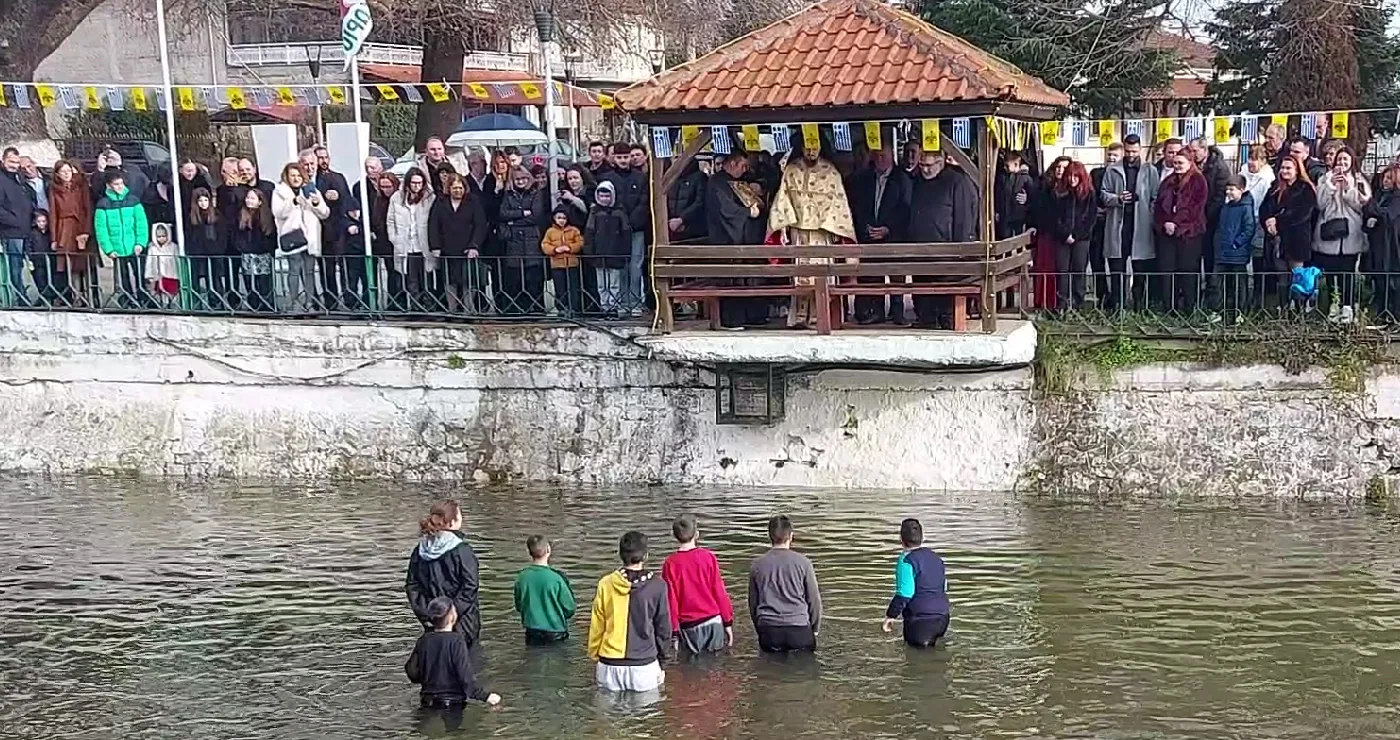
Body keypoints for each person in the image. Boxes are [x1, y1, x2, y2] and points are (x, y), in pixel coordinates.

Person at [767, 139, 856, 327]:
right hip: (799, 232)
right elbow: (783, 200)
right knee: (800, 276)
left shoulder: (830, 171)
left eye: (814, 146)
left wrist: (835, 226)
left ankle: (820, 316)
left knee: (821, 275)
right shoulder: (791, 169)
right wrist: (783, 226)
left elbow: (839, 203)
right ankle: (799, 316)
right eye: (807, 146)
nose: (811, 151)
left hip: (822, 233)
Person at [587, 530, 671, 693]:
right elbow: (663, 629)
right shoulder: (658, 586)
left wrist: (595, 655)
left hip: (609, 663)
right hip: (644, 665)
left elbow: (597, 625)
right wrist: (662, 662)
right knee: (646, 717)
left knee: (608, 716)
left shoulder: (605, 583)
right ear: (646, 556)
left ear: (620, 554)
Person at [906, 149, 979, 326]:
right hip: (921, 249)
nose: (925, 170)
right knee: (923, 288)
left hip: (947, 248)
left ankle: (948, 317)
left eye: (929, 165)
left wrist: (961, 248)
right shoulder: (918, 181)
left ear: (941, 162)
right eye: (922, 165)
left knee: (946, 288)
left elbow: (964, 218)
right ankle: (926, 317)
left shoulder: (957, 181)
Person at [849, 140, 911, 325]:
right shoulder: (864, 178)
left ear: (892, 156)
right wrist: (866, 227)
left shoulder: (903, 179)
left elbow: (906, 209)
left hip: (894, 236)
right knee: (871, 275)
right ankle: (874, 312)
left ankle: (898, 312)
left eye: (883, 156)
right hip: (870, 235)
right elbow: (858, 206)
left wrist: (888, 228)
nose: (879, 159)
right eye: (876, 156)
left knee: (896, 275)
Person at [405, 596, 501, 715]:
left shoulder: (424, 640)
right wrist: (485, 696)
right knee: (454, 732)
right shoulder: (456, 641)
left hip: (427, 701)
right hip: (452, 704)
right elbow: (465, 676)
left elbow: (411, 670)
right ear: (451, 617)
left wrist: (426, 677)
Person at [406, 500, 482, 648]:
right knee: (467, 665)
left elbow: (412, 586)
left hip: (432, 620)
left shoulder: (420, 550)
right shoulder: (462, 550)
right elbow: (470, 586)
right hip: (463, 622)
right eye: (460, 514)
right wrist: (451, 613)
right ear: (452, 522)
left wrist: (427, 614)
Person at [704, 152, 768, 329]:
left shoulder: (738, 182)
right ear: (732, 163)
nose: (745, 170)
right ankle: (730, 320)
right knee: (730, 278)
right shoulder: (717, 183)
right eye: (743, 166)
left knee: (747, 276)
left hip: (742, 240)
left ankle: (752, 315)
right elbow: (726, 210)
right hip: (725, 239)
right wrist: (747, 213)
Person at [1101, 134, 1160, 311]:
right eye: (1127, 151)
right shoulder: (1113, 170)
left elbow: (1156, 197)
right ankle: (1118, 305)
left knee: (1140, 269)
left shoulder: (1150, 170)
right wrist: (1118, 198)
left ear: (1140, 149)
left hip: (1141, 225)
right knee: (1117, 268)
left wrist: (1146, 208)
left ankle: (1139, 306)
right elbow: (1104, 194)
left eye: (1134, 151)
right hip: (1118, 225)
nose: (1131, 154)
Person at [1312, 146, 1370, 323]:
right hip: (1329, 230)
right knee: (1331, 272)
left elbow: (1362, 205)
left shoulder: (1359, 179)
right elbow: (1320, 204)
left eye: (1346, 160)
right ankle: (1333, 304)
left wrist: (1347, 189)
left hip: (1350, 233)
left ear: (1351, 161)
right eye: (1339, 160)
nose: (1342, 163)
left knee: (1348, 272)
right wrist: (1330, 186)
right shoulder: (1325, 179)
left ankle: (1348, 306)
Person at [662, 514, 734, 655]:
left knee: (692, 667)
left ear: (673, 535)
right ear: (697, 534)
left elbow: (671, 601)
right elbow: (719, 592)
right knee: (716, 666)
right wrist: (727, 622)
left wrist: (674, 632)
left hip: (689, 626)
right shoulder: (708, 557)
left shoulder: (670, 564)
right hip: (714, 621)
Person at [748, 514, 821, 653]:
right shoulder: (804, 563)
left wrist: (760, 629)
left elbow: (753, 603)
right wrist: (815, 630)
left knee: (770, 670)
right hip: (799, 629)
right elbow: (814, 600)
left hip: (769, 630)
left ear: (769, 536)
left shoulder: (757, 565)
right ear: (791, 536)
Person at [1153, 150, 1209, 312]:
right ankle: (1169, 307)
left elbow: (1195, 208)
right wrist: (1165, 223)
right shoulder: (1168, 181)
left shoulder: (1198, 181)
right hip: (1167, 233)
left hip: (1189, 233)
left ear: (1190, 163)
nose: (1177, 166)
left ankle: (1190, 308)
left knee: (1188, 270)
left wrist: (1176, 223)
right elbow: (1159, 206)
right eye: (1175, 163)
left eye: (1180, 163)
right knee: (1167, 270)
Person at [881, 518, 949, 649]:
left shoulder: (906, 560)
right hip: (943, 618)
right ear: (922, 538)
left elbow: (905, 593)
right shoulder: (936, 558)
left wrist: (890, 616)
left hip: (920, 623)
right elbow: (944, 587)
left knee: (916, 663)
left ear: (901, 538)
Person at [271, 162, 330, 312]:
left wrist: (316, 203)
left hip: (310, 236)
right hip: (293, 235)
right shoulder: (279, 191)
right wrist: (292, 202)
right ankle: (292, 303)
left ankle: (309, 302)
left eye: (298, 175)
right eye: (292, 175)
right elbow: (278, 212)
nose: (296, 178)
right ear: (287, 176)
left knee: (309, 271)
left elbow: (325, 213)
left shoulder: (310, 189)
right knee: (294, 269)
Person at [600, 143, 649, 316]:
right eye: (619, 157)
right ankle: (621, 302)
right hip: (615, 229)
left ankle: (635, 302)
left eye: (626, 157)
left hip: (636, 228)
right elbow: (606, 202)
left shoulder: (641, 178)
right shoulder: (607, 178)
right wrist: (620, 222)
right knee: (619, 266)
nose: (623, 160)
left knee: (635, 266)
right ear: (614, 158)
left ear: (630, 157)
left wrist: (632, 222)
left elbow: (644, 203)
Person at [428, 172, 487, 314]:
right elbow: (433, 224)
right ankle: (452, 310)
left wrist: (474, 246)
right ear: (449, 188)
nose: (458, 191)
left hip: (467, 249)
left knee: (469, 281)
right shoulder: (440, 202)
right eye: (454, 188)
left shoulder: (473, 201)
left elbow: (480, 224)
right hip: (447, 249)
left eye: (460, 188)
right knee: (450, 281)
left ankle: (469, 310)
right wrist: (435, 246)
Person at [1045, 160, 1097, 311]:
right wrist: (1065, 234)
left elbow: (1090, 218)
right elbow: (1054, 217)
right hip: (1062, 238)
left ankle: (1078, 303)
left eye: (1076, 176)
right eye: (1070, 176)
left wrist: (1077, 235)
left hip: (1082, 239)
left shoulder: (1089, 194)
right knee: (1062, 270)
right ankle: (1062, 303)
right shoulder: (1059, 194)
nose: (1072, 179)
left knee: (1079, 269)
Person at [93, 170, 150, 308]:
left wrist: (140, 243)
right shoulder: (103, 204)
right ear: (109, 186)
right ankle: (128, 299)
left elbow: (141, 224)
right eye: (116, 184)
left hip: (134, 246)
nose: (119, 187)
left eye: (121, 183)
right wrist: (109, 249)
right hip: (117, 248)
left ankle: (144, 298)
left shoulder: (133, 200)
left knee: (140, 274)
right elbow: (101, 230)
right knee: (123, 277)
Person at [497, 166, 548, 315]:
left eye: (524, 178)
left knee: (534, 279)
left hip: (532, 241)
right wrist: (521, 213)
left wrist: (513, 222)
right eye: (518, 179)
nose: (521, 182)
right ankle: (516, 310)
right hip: (514, 243)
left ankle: (537, 310)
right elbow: (503, 213)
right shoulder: (508, 194)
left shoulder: (535, 193)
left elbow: (536, 216)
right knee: (515, 279)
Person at [1258, 156, 1319, 280]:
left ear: (1297, 170)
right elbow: (1264, 209)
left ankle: (1299, 300)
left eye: (1288, 168)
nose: (1284, 171)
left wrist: (1278, 221)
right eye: (1282, 168)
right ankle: (1283, 300)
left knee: (1298, 278)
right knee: (1282, 279)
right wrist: (1268, 222)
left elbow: (1301, 214)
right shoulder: (1275, 188)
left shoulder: (1305, 189)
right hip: (1278, 242)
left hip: (1297, 241)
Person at [512, 534, 577, 645]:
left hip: (532, 632)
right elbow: (569, 609)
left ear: (529, 552)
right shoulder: (557, 578)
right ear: (548, 549)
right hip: (556, 632)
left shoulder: (521, 577)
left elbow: (519, 606)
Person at [388, 168, 437, 311]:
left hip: (423, 244)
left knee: (427, 278)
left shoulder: (429, 198)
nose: (416, 186)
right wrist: (395, 239)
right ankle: (415, 307)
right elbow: (390, 221)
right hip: (405, 244)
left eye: (420, 183)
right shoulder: (397, 197)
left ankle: (428, 307)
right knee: (411, 279)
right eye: (414, 183)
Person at [312, 147, 353, 310]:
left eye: (326, 157)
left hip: (338, 228)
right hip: (320, 229)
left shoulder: (338, 177)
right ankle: (331, 300)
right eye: (320, 157)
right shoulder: (312, 180)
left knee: (344, 265)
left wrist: (339, 197)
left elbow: (348, 199)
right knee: (326, 268)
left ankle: (350, 298)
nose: (323, 161)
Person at [47, 160, 92, 306]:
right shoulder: (54, 189)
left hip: (80, 227)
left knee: (83, 263)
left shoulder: (81, 186)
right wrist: (54, 238)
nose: (67, 174)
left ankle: (89, 297)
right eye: (63, 171)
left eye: (69, 171)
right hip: (64, 228)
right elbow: (53, 214)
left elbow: (87, 209)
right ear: (57, 174)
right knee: (69, 264)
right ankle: (76, 297)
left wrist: (86, 231)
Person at [585, 180, 632, 318]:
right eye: (602, 196)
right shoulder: (594, 213)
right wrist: (589, 252)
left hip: (615, 252)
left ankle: (614, 306)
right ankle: (604, 306)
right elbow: (589, 233)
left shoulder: (620, 212)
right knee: (602, 284)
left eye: (607, 196)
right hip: (599, 253)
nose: (604, 199)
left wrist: (625, 252)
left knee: (614, 283)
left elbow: (626, 233)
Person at [227, 187, 277, 312]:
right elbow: (236, 234)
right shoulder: (241, 215)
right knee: (250, 281)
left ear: (260, 201)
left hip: (263, 254)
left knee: (264, 281)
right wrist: (243, 247)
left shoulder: (267, 216)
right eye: (248, 198)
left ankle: (267, 306)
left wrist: (265, 248)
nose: (249, 200)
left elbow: (270, 235)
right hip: (247, 254)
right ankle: (254, 305)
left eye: (252, 198)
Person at [1190, 138, 1233, 279]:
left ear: (1204, 150)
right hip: (1194, 219)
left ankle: (1211, 289)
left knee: (1211, 256)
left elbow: (1220, 196)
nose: (1192, 154)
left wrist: (1204, 215)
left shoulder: (1219, 167)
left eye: (1195, 151)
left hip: (1212, 219)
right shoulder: (1191, 165)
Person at [1214, 175, 1257, 317]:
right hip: (1222, 252)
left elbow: (1249, 228)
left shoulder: (1245, 208)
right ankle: (1219, 311)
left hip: (1237, 253)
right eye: (1227, 189)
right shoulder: (1226, 207)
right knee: (1219, 284)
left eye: (1232, 189)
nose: (1228, 192)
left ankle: (1241, 313)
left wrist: (1236, 243)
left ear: (1241, 190)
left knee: (1240, 285)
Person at [185, 186, 229, 310]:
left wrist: (219, 248)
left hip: (215, 252)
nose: (203, 204)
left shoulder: (216, 214)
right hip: (199, 252)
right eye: (200, 201)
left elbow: (222, 233)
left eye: (205, 200)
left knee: (216, 279)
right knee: (197, 278)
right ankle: (198, 304)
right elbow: (190, 235)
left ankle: (217, 303)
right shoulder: (192, 217)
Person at [1365, 165, 1400, 317]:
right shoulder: (1379, 194)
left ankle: (1393, 313)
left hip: (1393, 244)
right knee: (1379, 278)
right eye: (1384, 178)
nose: (1385, 181)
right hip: (1377, 243)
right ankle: (1382, 311)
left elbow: (1387, 216)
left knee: (1392, 280)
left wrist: (1372, 208)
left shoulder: (1397, 197)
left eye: (1389, 178)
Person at [0, 147, 33, 306]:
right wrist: (14, 221)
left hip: (25, 229)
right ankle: (20, 298)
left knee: (24, 265)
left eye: (17, 162)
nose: (14, 165)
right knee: (14, 266)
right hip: (11, 231)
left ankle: (24, 295)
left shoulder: (19, 178)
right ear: (3, 160)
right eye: (11, 161)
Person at [541, 207, 584, 315]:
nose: (561, 220)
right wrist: (555, 249)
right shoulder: (550, 231)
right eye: (559, 217)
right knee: (560, 288)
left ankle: (573, 308)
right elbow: (545, 245)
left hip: (571, 263)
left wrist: (570, 248)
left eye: (564, 218)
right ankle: (561, 308)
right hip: (557, 264)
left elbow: (580, 243)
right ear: (554, 218)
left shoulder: (574, 230)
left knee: (573, 287)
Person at [25, 209, 65, 305]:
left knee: (52, 280)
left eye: (43, 221)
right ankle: (44, 299)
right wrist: (30, 259)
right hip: (38, 262)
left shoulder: (51, 233)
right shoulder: (33, 233)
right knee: (40, 281)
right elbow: (28, 247)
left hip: (51, 261)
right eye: (39, 221)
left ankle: (52, 298)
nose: (41, 224)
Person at [994, 151, 1033, 241]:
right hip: (1005, 214)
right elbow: (998, 194)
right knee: (1004, 238)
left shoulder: (1026, 178)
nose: (1005, 168)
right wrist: (997, 210)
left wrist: (1026, 201)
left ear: (1016, 164)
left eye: (1007, 165)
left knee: (1018, 239)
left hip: (1019, 216)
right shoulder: (1003, 177)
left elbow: (1032, 197)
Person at [667, 158, 708, 242]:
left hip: (694, 230)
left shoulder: (699, 177)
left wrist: (682, 219)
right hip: (671, 228)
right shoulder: (671, 179)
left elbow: (700, 202)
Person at [143, 222, 180, 307]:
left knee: (172, 292)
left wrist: (179, 274)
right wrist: (149, 275)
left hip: (171, 275)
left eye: (164, 236)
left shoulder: (174, 247)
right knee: (161, 293)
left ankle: (173, 305)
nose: (161, 239)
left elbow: (177, 261)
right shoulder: (152, 248)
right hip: (158, 276)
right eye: (159, 237)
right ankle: (164, 306)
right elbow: (149, 262)